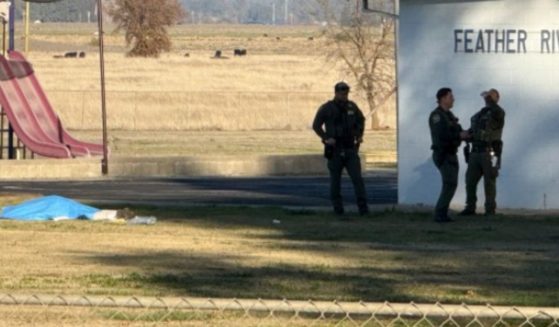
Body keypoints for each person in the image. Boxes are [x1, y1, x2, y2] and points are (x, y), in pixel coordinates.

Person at [312, 82, 368, 216]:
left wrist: (359, 135)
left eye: (346, 93)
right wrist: (326, 138)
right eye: (342, 93)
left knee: (357, 180)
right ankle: (338, 210)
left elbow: (361, 120)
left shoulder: (352, 106)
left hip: (350, 148)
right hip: (335, 149)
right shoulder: (327, 108)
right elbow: (316, 126)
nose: (345, 96)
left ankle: (363, 210)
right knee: (335, 182)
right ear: (336, 93)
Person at [460, 88, 505, 216]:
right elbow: (473, 129)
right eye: (487, 96)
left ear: (496, 98)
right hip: (475, 152)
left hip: (488, 152)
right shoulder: (481, 113)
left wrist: (490, 100)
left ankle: (490, 210)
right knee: (470, 181)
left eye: (490, 96)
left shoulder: (498, 113)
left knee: (489, 182)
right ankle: (470, 207)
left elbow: (497, 112)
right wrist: (465, 135)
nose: (487, 98)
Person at [429, 87, 470, 223]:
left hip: (452, 153)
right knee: (449, 183)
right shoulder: (437, 116)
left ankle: (442, 213)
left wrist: (468, 134)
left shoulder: (449, 115)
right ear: (443, 99)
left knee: (451, 184)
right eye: (450, 97)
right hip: (443, 154)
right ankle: (439, 214)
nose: (453, 99)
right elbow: (443, 135)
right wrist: (459, 135)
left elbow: (458, 130)